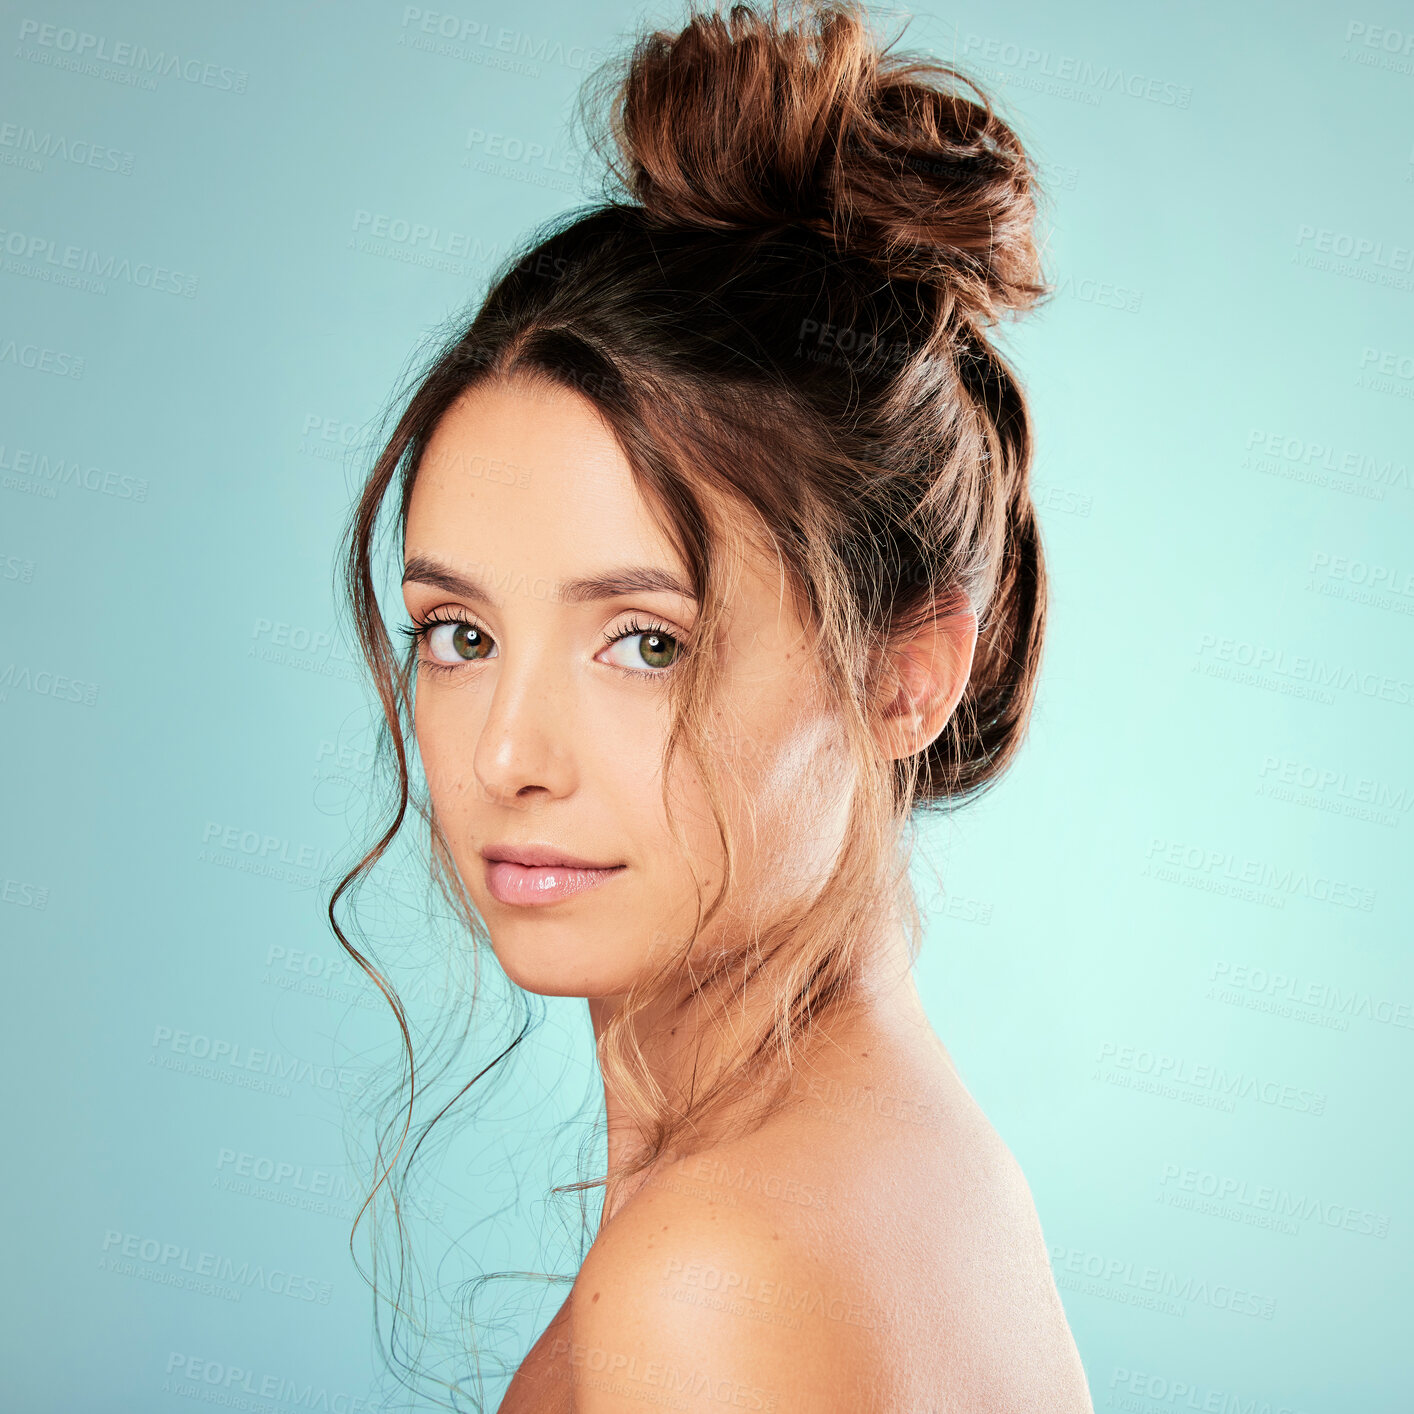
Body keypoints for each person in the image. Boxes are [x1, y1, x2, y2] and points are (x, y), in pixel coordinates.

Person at [332, 1, 1094, 1408]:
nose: (505, 753)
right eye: (458, 632)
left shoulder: (712, 1273)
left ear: (903, 671)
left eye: (644, 642)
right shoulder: (916, 1169)